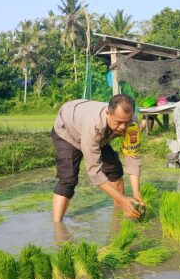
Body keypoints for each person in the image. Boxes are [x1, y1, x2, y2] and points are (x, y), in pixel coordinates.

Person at [51, 94, 143, 222]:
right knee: (68, 179)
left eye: (126, 122)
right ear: (108, 113)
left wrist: (136, 193)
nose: (123, 127)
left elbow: (132, 156)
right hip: (68, 131)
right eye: (119, 122)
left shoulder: (132, 123)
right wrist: (123, 200)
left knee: (114, 171)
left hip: (100, 136)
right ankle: (58, 227)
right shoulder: (93, 125)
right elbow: (94, 173)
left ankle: (117, 219)